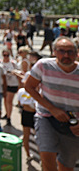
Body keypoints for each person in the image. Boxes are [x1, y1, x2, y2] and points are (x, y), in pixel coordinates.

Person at [24, 37, 79, 171]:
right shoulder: (43, 65)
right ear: (54, 52)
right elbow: (29, 86)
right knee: (47, 159)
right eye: (61, 51)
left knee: (66, 167)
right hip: (47, 117)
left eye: (70, 52)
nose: (66, 55)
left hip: (73, 124)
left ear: (76, 54)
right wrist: (52, 109)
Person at [16, 85, 36, 161]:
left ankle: (28, 154)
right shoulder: (36, 91)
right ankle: (41, 158)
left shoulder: (21, 91)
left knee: (26, 135)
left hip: (25, 113)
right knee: (38, 137)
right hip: (33, 114)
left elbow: (19, 103)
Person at [0, 50, 19, 127]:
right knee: (5, 100)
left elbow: (18, 73)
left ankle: (9, 118)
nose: (6, 57)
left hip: (12, 84)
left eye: (7, 55)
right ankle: (7, 113)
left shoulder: (13, 63)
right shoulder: (0, 63)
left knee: (9, 101)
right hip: (4, 84)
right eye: (4, 55)